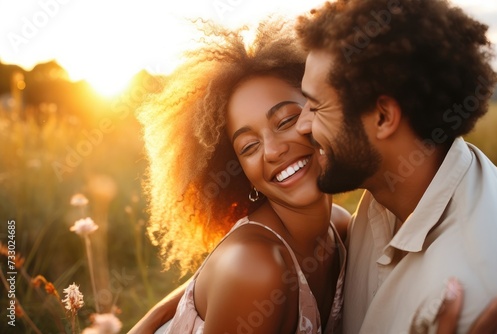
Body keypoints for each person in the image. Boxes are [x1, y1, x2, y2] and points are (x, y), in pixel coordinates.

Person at [294, 0, 497, 333]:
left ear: (384, 118)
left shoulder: (472, 296)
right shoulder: (386, 185)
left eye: (316, 108)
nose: (302, 125)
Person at [134, 19, 351, 333]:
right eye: (249, 146)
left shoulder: (340, 228)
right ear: (242, 175)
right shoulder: (257, 266)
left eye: (287, 120)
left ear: (321, 108)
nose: (273, 151)